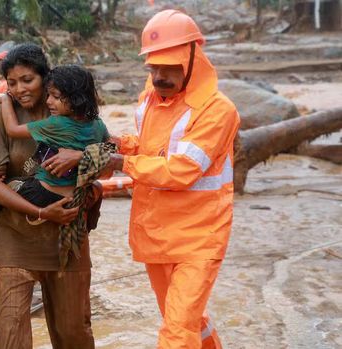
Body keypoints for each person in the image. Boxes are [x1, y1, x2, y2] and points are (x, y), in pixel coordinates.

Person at [105, 10, 241, 348]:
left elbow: (181, 170)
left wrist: (122, 162)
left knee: (177, 331)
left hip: (199, 237)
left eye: (170, 68)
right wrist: (119, 143)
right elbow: (151, 147)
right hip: (156, 232)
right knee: (184, 319)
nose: (160, 77)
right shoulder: (149, 97)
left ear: (193, 58)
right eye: (154, 68)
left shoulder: (217, 110)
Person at [0, 43, 96, 349]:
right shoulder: (1, 117)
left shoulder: (76, 113)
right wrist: (40, 212)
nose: (20, 89)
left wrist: (78, 157)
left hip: (67, 239)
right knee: (11, 336)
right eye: (12, 83)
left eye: (28, 80)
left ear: (45, 77)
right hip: (15, 235)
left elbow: (108, 158)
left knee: (74, 334)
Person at [0, 64, 108, 277]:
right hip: (75, 196)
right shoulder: (97, 125)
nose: (48, 101)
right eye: (12, 83)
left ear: (73, 99)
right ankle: (92, 215)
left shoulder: (56, 124)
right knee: (93, 185)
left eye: (54, 96)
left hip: (42, 194)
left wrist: (6, 99)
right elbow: (109, 148)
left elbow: (12, 129)